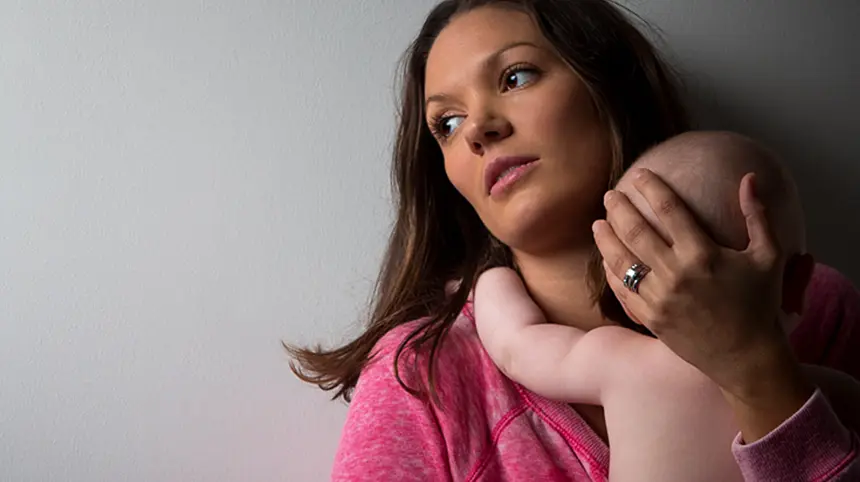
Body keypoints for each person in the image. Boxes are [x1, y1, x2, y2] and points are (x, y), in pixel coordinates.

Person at [285, 1, 860, 480]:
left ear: (605, 85)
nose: (479, 130)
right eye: (448, 124)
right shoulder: (423, 376)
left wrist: (756, 368)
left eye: (515, 77)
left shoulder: (816, 305)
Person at [474, 131, 860, 481]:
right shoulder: (828, 395)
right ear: (799, 285)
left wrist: (492, 279)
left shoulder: (621, 364)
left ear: (628, 290)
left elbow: (515, 346)